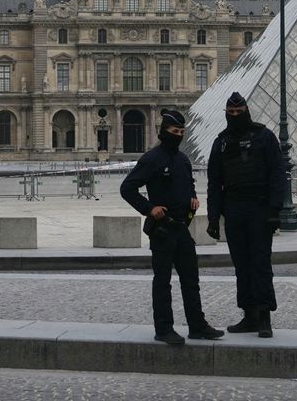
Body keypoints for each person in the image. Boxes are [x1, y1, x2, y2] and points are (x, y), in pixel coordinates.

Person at [120, 110, 224, 346]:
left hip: (181, 228)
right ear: (163, 132)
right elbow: (127, 188)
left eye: (181, 132)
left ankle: (197, 325)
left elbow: (188, 183)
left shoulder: (183, 159)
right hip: (162, 229)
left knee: (191, 279)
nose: (178, 135)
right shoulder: (151, 158)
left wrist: (193, 198)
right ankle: (164, 328)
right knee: (163, 281)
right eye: (174, 132)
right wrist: (149, 208)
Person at [206, 92, 284, 338]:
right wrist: (212, 218)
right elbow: (214, 182)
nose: (236, 116)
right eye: (232, 113)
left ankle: (264, 316)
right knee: (241, 265)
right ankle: (248, 314)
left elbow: (277, 176)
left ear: (247, 111)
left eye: (239, 112)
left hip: (259, 208)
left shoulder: (265, 137)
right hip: (234, 208)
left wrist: (274, 211)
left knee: (260, 263)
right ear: (226, 114)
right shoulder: (221, 142)